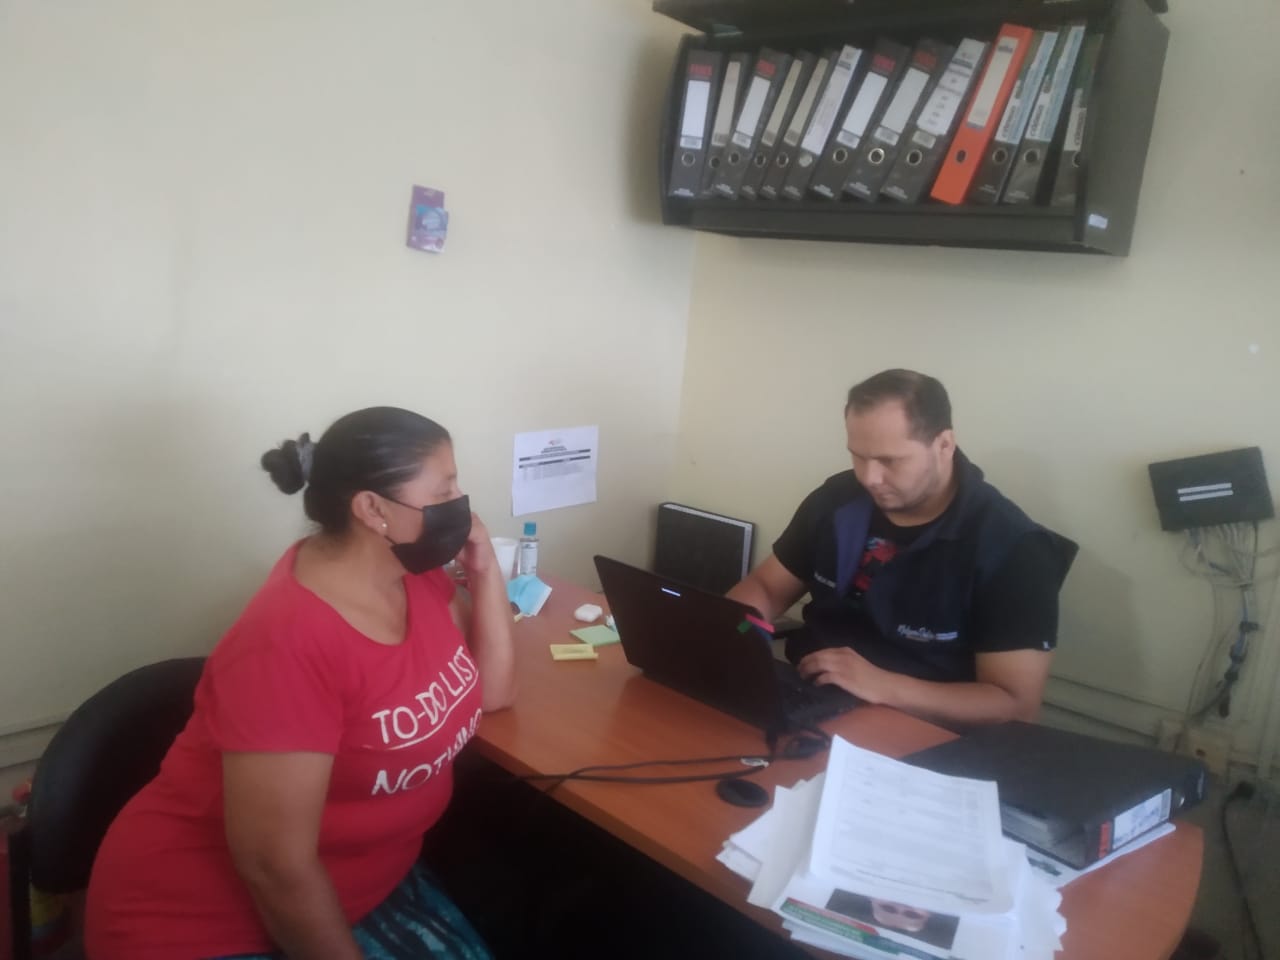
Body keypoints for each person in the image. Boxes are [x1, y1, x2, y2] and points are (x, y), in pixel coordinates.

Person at [85, 407, 515, 960]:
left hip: (360, 887)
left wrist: (485, 568)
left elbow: (492, 693)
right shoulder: (286, 643)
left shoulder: (414, 576)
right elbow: (274, 866)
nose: (462, 505)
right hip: (201, 924)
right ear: (373, 509)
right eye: (445, 489)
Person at [728, 370, 1075, 728]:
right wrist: (736, 636)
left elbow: (1015, 705)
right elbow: (767, 588)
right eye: (858, 456)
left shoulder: (1014, 548)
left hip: (920, 728)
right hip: (808, 699)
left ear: (944, 445)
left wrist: (884, 686)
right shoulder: (836, 499)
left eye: (890, 460)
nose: (869, 478)